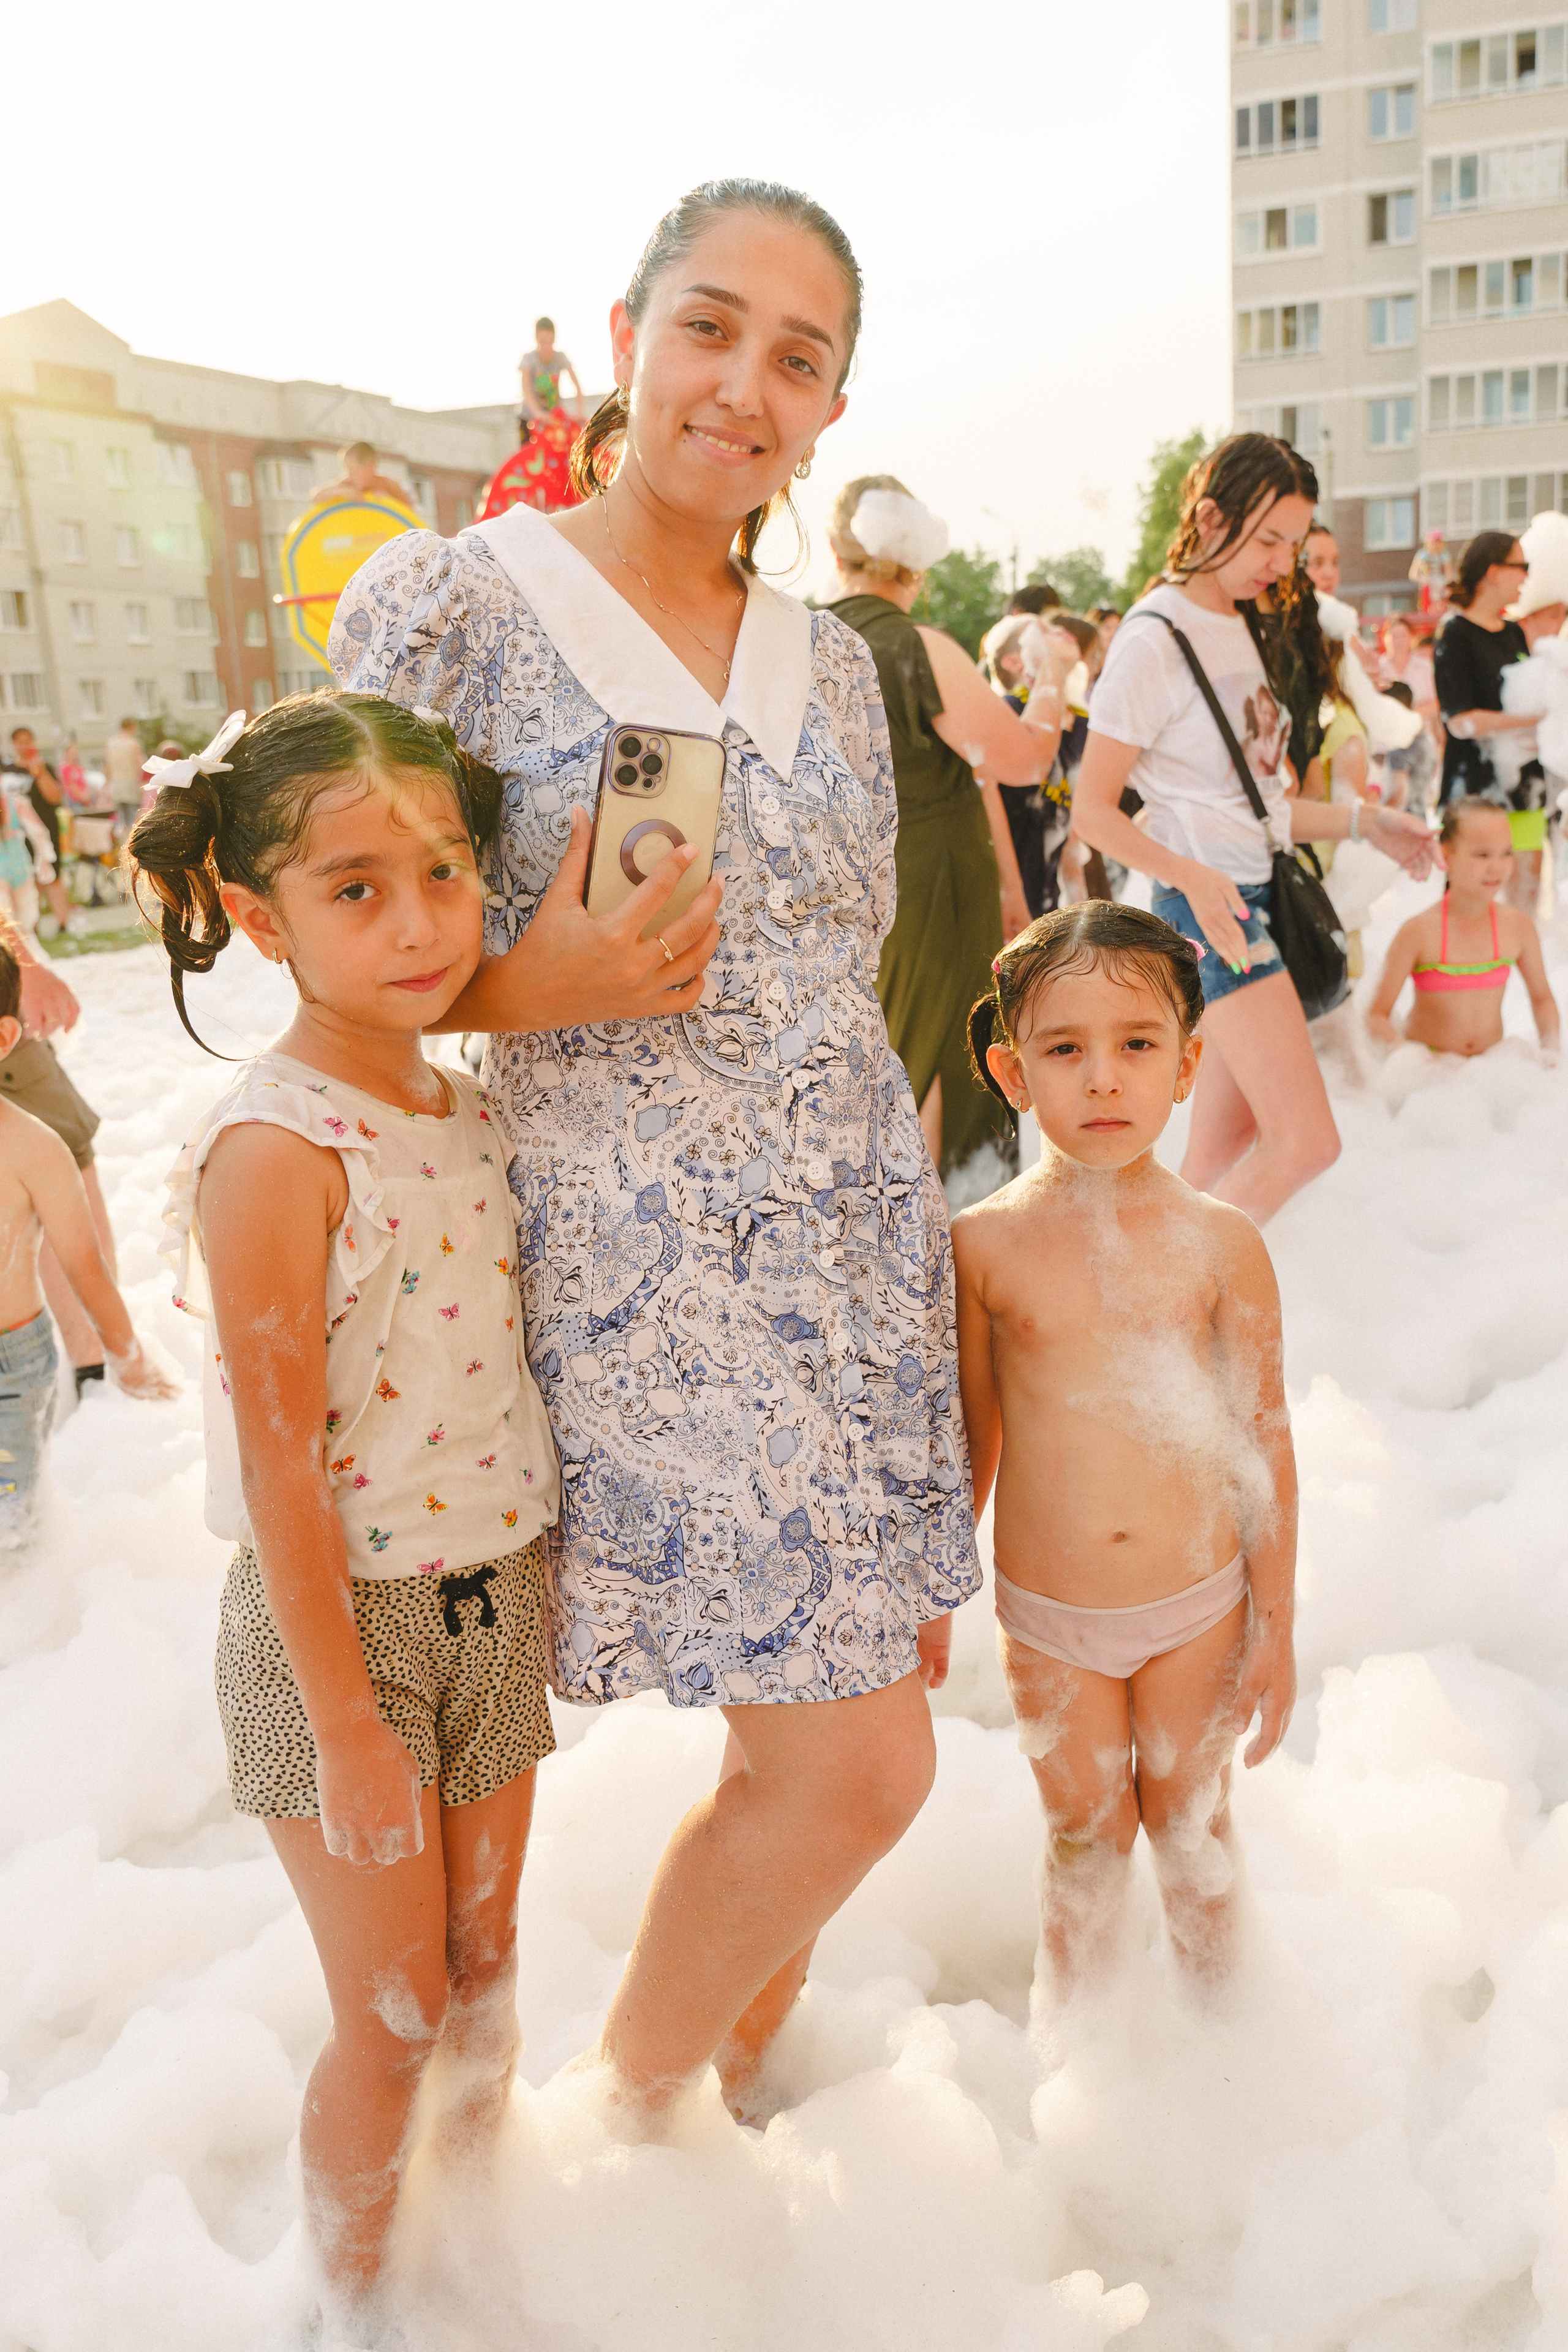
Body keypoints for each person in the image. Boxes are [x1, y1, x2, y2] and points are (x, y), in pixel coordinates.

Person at [331, 179, 983, 2129]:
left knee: (832, 1747)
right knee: (862, 1769)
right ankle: (629, 2122)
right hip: (643, 1277)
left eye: (799, 357)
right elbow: (319, 944)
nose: (742, 385)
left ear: (831, 407)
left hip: (855, 1265)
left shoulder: (839, 663)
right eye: (709, 326)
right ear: (626, 337)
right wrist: (527, 983)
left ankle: (725, 2138)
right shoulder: (458, 606)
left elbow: (845, 983)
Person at [132, 696, 561, 2332]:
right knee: (391, 2014)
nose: (419, 922)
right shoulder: (275, 1147)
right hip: (339, 1638)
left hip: (488, 1599)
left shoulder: (470, 1106)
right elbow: (280, 1464)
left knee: (486, 1974)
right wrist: (346, 1726)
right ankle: (353, 2305)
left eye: (445, 871)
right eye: (357, 889)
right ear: (263, 919)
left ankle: (481, 2264)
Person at [953, 903, 1295, 1997]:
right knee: (1083, 1846)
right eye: (1065, 1050)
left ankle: (1227, 2047)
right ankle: (1084, 2065)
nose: (1103, 1078)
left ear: (1189, 1065)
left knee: (1194, 1835)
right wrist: (926, 1601)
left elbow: (1264, 1443)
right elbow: (971, 1443)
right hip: (1049, 1617)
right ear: (1013, 1073)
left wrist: (1277, 1624)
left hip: (1199, 1607)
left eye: (1137, 1044)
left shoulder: (1222, 1244)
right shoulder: (983, 1248)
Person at [1069, 434, 1436, 1226]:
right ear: (1209, 519)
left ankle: (1159, 1297)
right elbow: (1091, 811)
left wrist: (1368, 822)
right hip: (1206, 911)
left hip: (1250, 893)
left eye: (1293, 545)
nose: (1282, 562)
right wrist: (1194, 877)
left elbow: (1260, 808)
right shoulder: (1153, 638)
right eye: (1269, 540)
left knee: (1222, 1150)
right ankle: (1166, 1291)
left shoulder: (1238, 624)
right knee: (1306, 1142)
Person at [826, 477, 1067, 1174]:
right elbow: (1020, 760)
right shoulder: (915, 645)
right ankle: (944, 1221)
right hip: (934, 884)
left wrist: (1013, 889)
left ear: (839, 553)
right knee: (944, 1051)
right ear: (916, 560)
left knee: (888, 1049)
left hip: (848, 884)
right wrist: (1052, 674)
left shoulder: (801, 640)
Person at [0, 940, 173, 1540]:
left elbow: (85, 1267)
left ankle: (24, 1566)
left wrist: (129, 1359)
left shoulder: (33, 1147)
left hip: (14, 1367)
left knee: (13, 1520)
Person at [1366, 797, 1558, 1061]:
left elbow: (1542, 999)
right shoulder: (1419, 932)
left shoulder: (1518, 927)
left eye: (1506, 853)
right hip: (1430, 1070)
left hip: (1491, 1066)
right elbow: (1375, 1015)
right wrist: (1413, 1062)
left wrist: (1553, 1055)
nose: (1497, 867)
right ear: (1445, 855)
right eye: (1483, 855)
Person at [1434, 530, 1546, 913]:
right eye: (1521, 566)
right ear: (1493, 573)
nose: (1527, 576)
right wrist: (1530, 721)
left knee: (1526, 897)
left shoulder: (1514, 632)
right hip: (1475, 785)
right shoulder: (1455, 634)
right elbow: (1459, 720)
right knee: (1469, 904)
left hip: (1524, 783)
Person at [5, 728, 75, 933]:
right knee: (28, 879)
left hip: (45, 829)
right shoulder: (7, 771)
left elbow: (55, 797)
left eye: (28, 741)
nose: (25, 746)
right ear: (14, 745)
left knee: (53, 875)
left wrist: (41, 773)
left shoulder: (45, 768)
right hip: (16, 834)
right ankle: (31, 926)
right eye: (20, 742)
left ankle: (63, 924)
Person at [1376, 615, 1438, 741]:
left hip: (1422, 736)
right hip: (1387, 739)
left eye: (1403, 635)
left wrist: (1408, 712)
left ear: (1411, 637)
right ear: (1385, 638)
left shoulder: (1425, 666)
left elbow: (1437, 703)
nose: (1399, 641)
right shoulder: (1378, 669)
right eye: (1394, 636)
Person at [518, 316, 585, 429]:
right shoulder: (529, 359)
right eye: (542, 341)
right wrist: (537, 413)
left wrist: (579, 411)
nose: (547, 346)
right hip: (529, 418)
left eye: (550, 341)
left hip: (553, 418)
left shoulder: (560, 357)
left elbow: (577, 385)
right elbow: (526, 387)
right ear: (536, 339)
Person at [307, 441, 413, 511]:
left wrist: (388, 501)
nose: (349, 476)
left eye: (352, 471)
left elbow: (409, 515)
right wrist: (341, 492)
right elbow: (315, 496)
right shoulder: (348, 485)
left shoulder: (389, 485)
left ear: (369, 469)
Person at [104, 715, 147, 839]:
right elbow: (140, 765)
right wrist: (143, 784)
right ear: (132, 727)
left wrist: (107, 785)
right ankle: (132, 843)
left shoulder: (111, 743)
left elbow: (107, 767)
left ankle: (122, 843)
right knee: (133, 819)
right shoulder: (134, 743)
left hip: (116, 786)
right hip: (131, 785)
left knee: (121, 820)